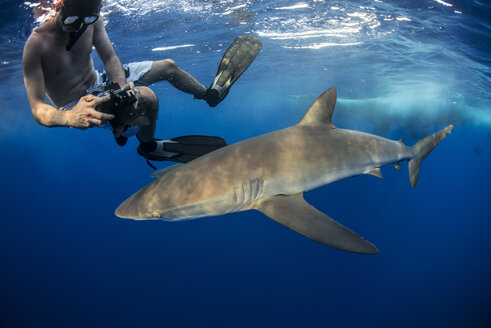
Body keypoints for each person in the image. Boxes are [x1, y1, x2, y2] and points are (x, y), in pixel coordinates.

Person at [23, 0, 261, 163]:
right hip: (75, 103)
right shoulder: (36, 44)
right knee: (148, 97)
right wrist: (69, 117)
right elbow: (37, 108)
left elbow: (110, 57)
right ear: (59, 6)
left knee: (168, 67)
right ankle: (148, 147)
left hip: (102, 82)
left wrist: (120, 88)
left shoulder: (92, 21)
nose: (79, 26)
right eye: (72, 19)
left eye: (87, 19)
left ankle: (210, 95)